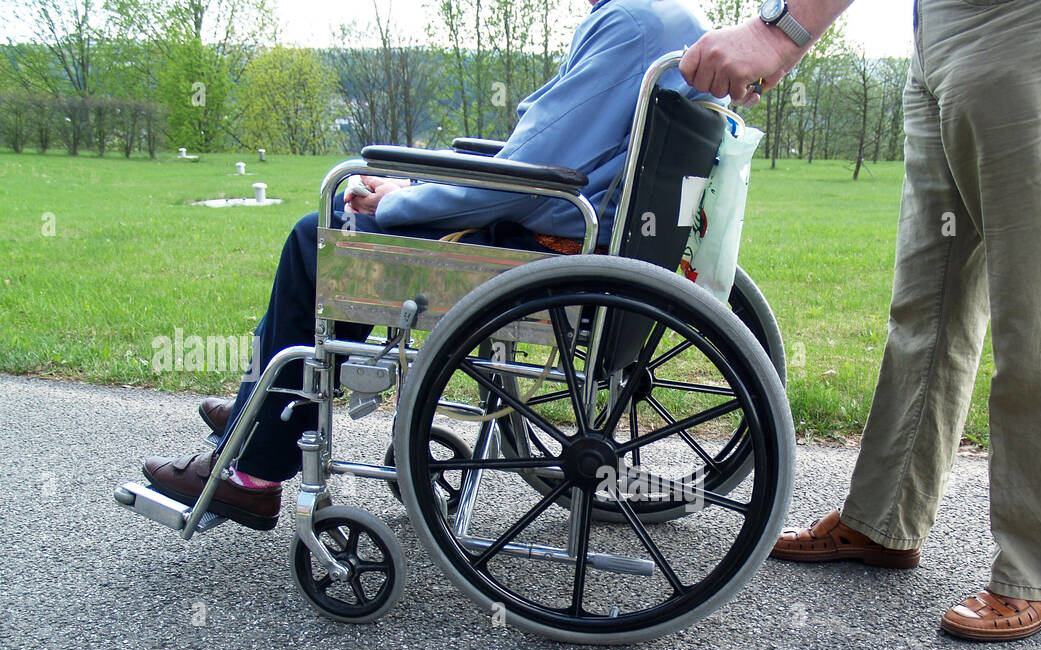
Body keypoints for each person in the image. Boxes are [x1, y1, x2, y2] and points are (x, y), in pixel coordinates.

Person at [142, 0, 714, 531]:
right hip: (581, 237)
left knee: (319, 239)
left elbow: (534, 171)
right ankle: (266, 411)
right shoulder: (675, 17)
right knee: (341, 239)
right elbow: (543, 155)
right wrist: (414, 188)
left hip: (547, 243)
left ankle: (258, 465)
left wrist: (397, 201)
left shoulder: (630, 23)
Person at [682, 0, 1041, 641]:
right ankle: (883, 520)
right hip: (939, 30)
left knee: (1039, 310)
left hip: (1037, 21)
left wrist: (782, 31)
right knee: (927, 303)